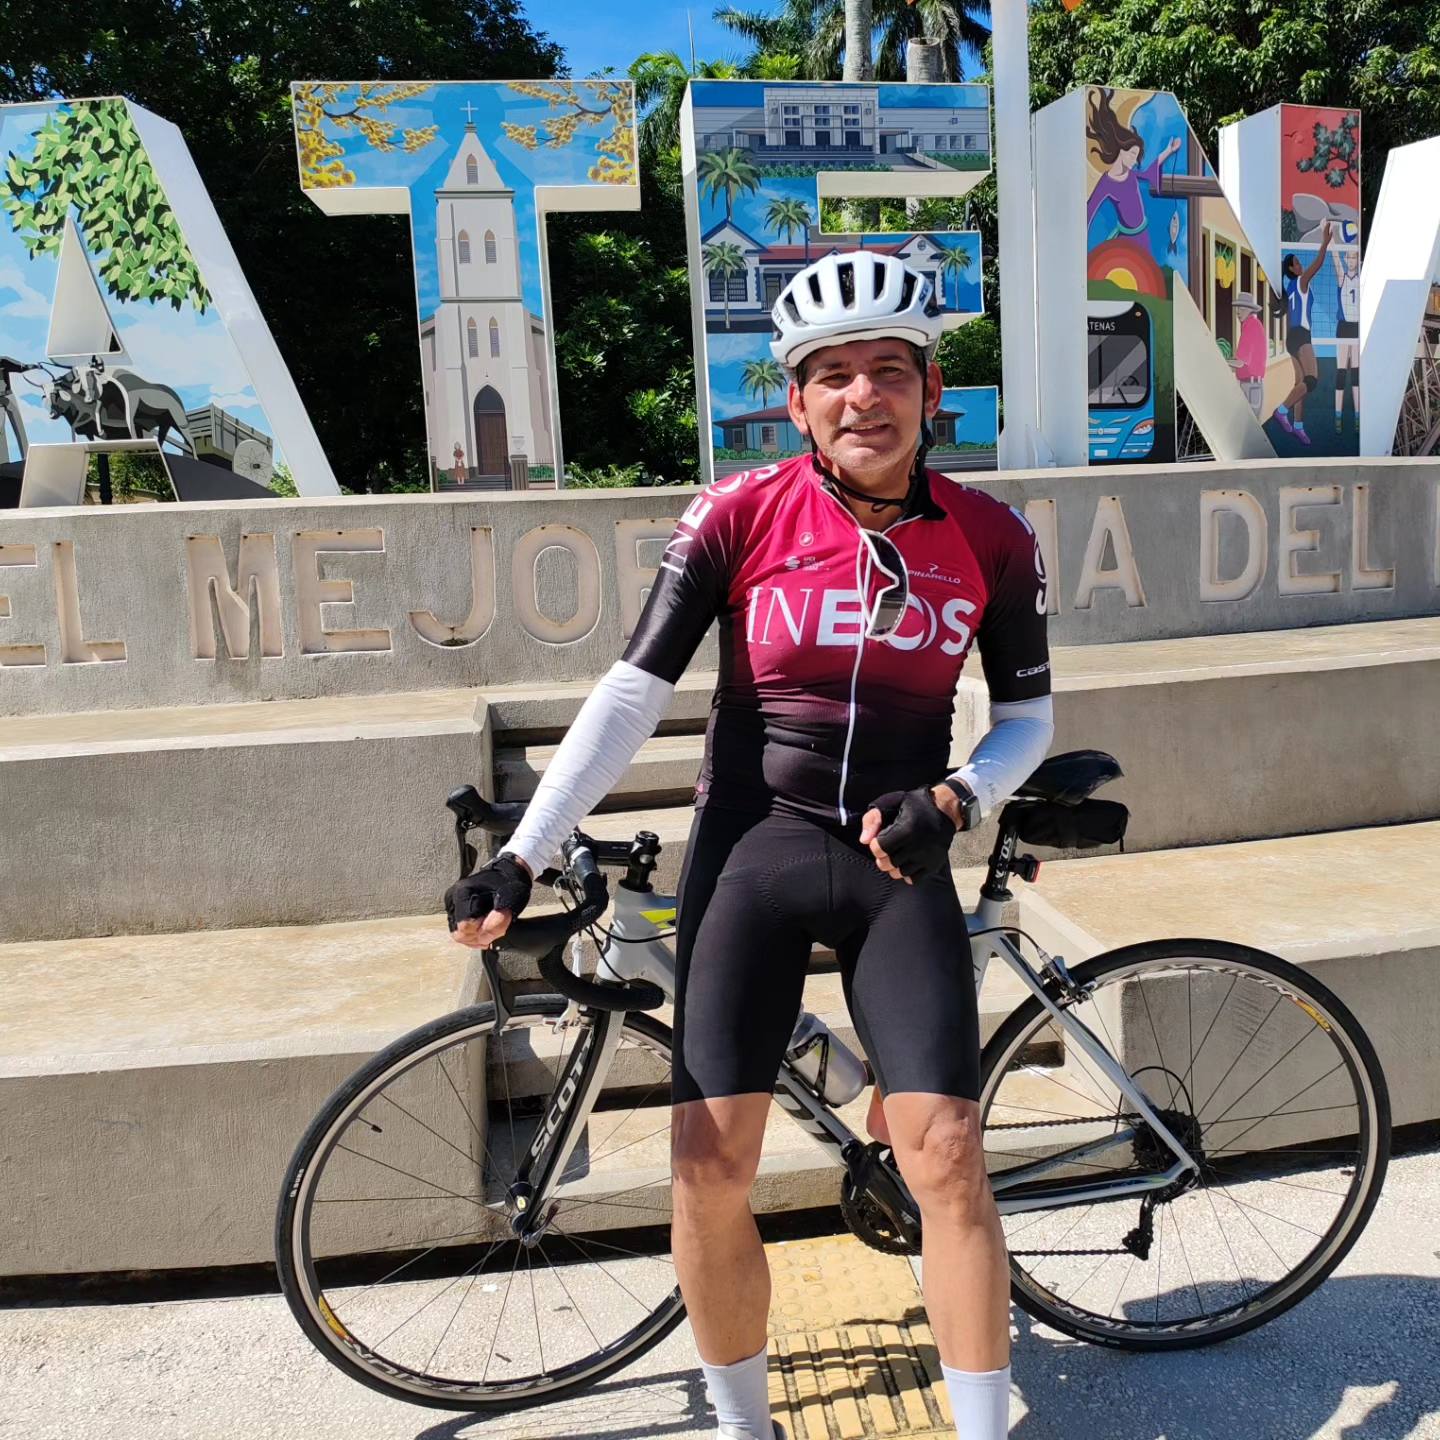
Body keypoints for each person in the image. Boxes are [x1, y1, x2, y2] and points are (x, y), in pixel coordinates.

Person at [447, 250, 1054, 1440]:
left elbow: (1028, 717)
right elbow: (631, 694)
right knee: (709, 1170)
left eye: (890, 370)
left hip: (898, 860)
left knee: (946, 1152)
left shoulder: (993, 536)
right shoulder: (738, 513)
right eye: (834, 374)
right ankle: (744, 1426)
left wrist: (958, 797)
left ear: (933, 390)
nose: (863, 396)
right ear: (796, 400)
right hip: (752, 854)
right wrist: (524, 852)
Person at [1084, 87, 1182, 247]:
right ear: (1121, 150)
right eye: (1132, 154)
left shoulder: (1131, 174)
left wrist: (1169, 150)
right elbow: (1089, 210)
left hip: (1143, 234)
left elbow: (1150, 172)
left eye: (1137, 157)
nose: (1135, 161)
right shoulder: (1106, 183)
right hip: (1126, 239)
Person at [1274, 220, 1334, 445]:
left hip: (1292, 338)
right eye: (1297, 263)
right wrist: (1325, 243)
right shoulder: (1300, 282)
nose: (1300, 266)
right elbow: (1318, 264)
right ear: (1292, 269)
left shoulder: (1289, 288)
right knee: (1312, 380)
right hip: (1301, 335)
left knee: (1300, 385)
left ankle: (1298, 425)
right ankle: (1282, 410)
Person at [1332, 246, 1361, 429]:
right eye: (1349, 257)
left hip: (1357, 328)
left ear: (1358, 260)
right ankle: (1338, 416)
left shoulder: (1361, 280)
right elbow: (1335, 257)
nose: (1351, 261)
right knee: (1341, 373)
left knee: (1356, 374)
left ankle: (1358, 416)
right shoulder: (1342, 277)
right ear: (1345, 259)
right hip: (1343, 328)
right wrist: (1330, 239)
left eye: (1354, 258)